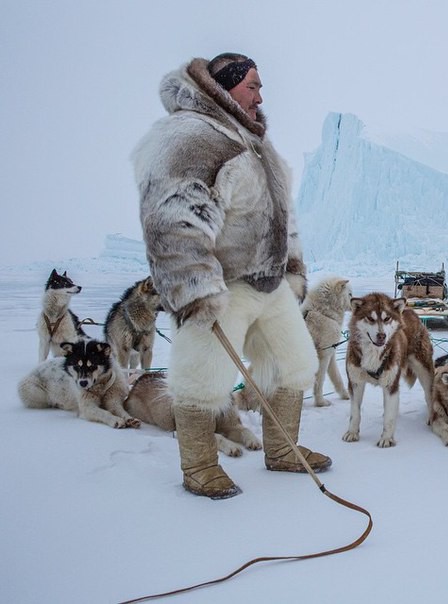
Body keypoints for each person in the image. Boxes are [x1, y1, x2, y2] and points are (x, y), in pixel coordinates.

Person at [131, 53, 332, 499]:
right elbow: (172, 221)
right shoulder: (192, 136)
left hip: (270, 284)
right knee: (202, 381)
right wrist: (195, 289)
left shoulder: (258, 144)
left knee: (294, 365)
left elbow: (286, 221)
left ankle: (282, 450)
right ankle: (200, 467)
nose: (261, 95)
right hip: (222, 288)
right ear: (225, 87)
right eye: (253, 86)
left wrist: (293, 271)